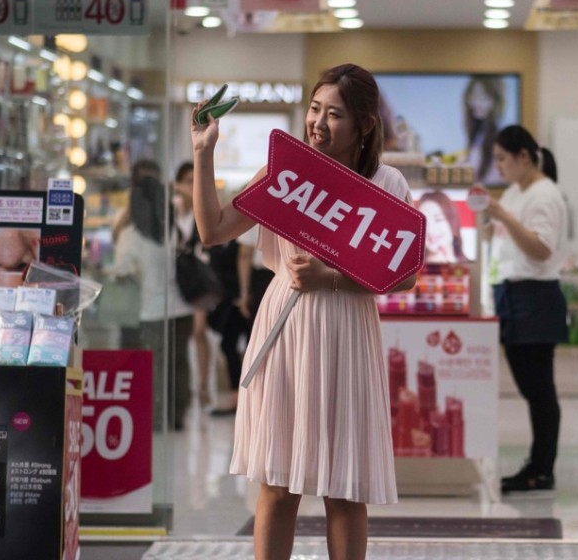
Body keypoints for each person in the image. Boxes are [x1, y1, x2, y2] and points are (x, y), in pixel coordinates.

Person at [191, 63, 415, 560]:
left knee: (345, 487)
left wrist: (332, 278)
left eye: (334, 114)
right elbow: (212, 230)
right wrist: (202, 153)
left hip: (347, 331)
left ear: (365, 125)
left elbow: (405, 273)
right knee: (278, 482)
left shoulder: (387, 182)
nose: (318, 122)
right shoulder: (282, 170)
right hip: (285, 329)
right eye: (315, 109)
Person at [477, 125, 569, 494]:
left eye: (502, 158)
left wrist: (503, 216)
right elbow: (503, 241)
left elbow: (540, 248)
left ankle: (542, 468)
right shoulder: (516, 192)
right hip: (512, 294)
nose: (498, 166)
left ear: (524, 157)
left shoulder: (545, 195)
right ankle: (537, 463)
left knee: (539, 389)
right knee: (530, 387)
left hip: (536, 297)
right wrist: (491, 217)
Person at [112, 159, 195, 431]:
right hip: (181, 307)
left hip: (151, 311)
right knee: (179, 364)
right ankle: (178, 415)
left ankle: (157, 418)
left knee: (155, 367)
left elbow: (121, 271)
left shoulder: (132, 235)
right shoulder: (172, 227)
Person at [173, 161, 216, 409]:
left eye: (194, 180)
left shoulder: (202, 206)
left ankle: (202, 386)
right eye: (186, 181)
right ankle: (190, 388)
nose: (191, 186)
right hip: (178, 276)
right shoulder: (174, 208)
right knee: (187, 333)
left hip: (197, 277)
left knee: (199, 330)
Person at [462, 76, 506, 186]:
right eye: (475, 96)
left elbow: (495, 179)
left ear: (495, 101)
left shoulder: (500, 137)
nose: (478, 103)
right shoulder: (476, 132)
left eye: (485, 97)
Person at [416, 191, 468, 264]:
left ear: (452, 221)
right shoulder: (412, 269)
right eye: (424, 222)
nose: (430, 230)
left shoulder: (466, 265)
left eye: (438, 220)